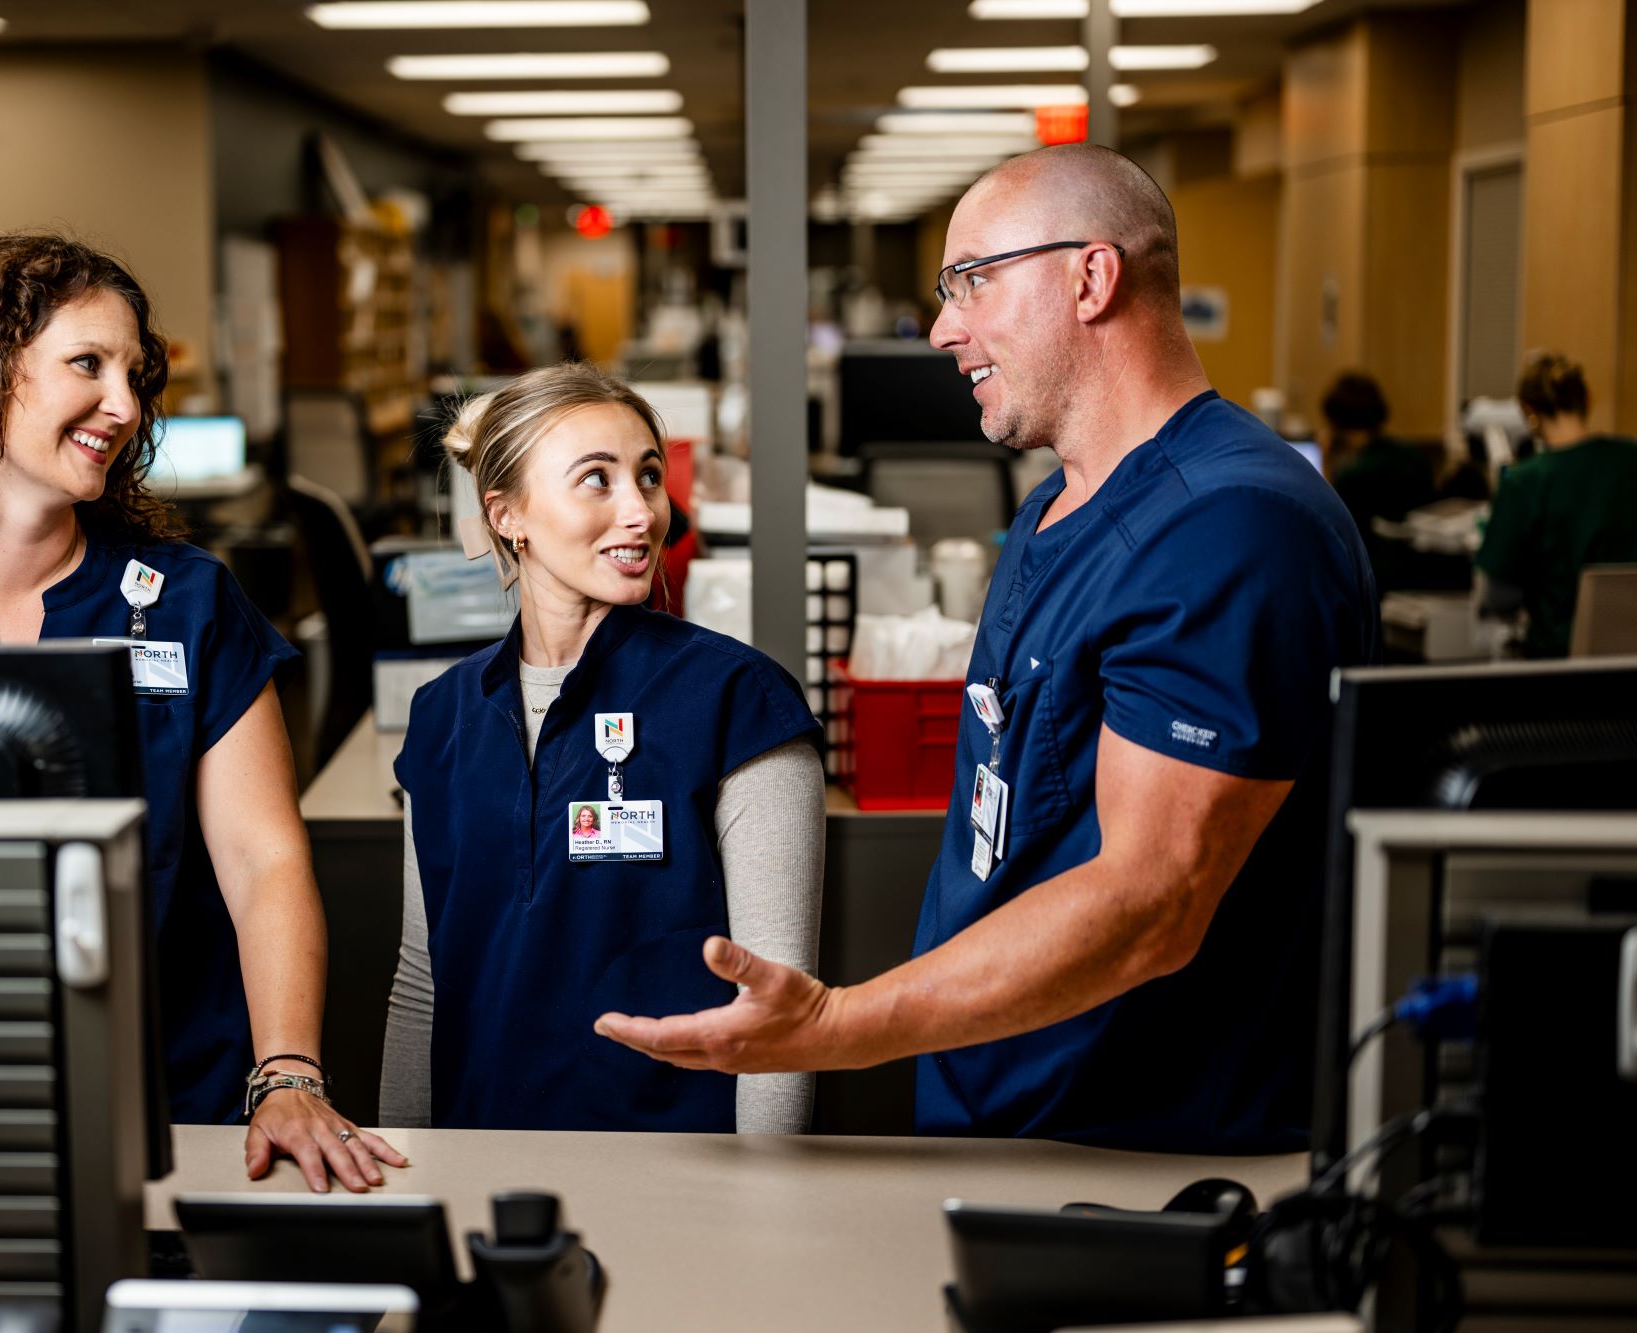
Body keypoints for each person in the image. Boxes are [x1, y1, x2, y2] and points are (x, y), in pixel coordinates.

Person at [596, 144, 1378, 1154]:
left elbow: (1152, 902)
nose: (940, 328)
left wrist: (837, 1025)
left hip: (1143, 1154)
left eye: (971, 281)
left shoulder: (1230, 529)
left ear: (1088, 278)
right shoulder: (1058, 503)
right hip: (1006, 1113)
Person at [0, 234, 405, 1191]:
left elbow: (264, 860)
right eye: (88, 365)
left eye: (137, 377)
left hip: (172, 1107)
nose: (125, 405)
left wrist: (288, 1073)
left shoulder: (187, 601)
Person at [380, 362, 825, 1134]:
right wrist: (409, 1174)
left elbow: (779, 1005)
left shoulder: (739, 700)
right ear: (508, 513)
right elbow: (423, 982)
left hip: (680, 1180)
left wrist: (764, 1207)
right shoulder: (442, 717)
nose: (642, 511)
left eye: (649, 477)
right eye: (597, 479)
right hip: (484, 1163)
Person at [1476, 353, 1637, 657]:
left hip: (1558, 665)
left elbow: (1498, 598)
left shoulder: (1525, 482)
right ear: (1587, 399)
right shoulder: (1630, 460)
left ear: (1527, 411)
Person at [1321, 372, 1434, 590]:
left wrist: (1326, 462)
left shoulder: (1352, 477)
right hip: (1420, 573)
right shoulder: (1414, 457)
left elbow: (1327, 518)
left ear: (1335, 422)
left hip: (1373, 577)